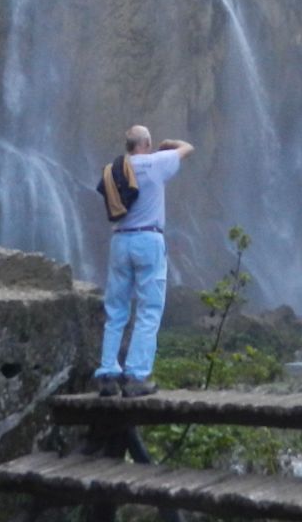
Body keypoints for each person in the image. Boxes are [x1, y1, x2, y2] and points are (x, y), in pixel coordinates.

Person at [93, 124, 195, 397]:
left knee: (116, 309)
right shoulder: (156, 163)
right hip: (148, 240)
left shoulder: (114, 170)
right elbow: (188, 148)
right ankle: (136, 376)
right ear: (147, 144)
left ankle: (107, 373)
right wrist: (170, 142)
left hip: (120, 241)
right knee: (148, 310)